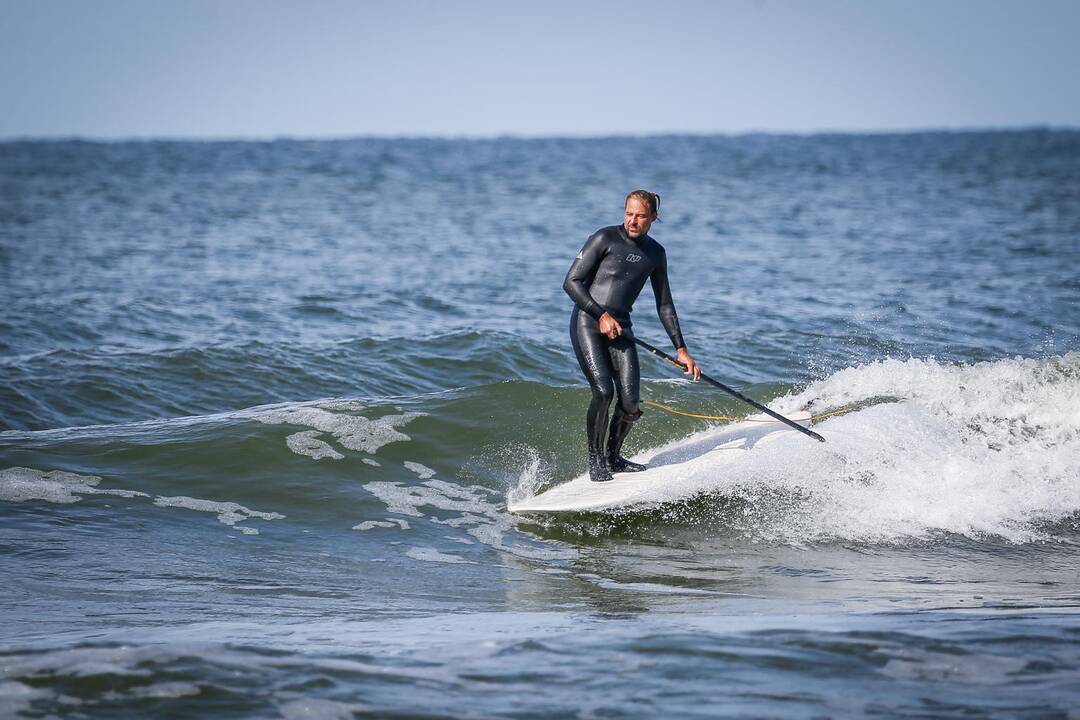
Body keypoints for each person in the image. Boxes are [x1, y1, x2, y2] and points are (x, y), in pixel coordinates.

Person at [563, 190, 700, 483]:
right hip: (588, 322)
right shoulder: (605, 238)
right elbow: (571, 282)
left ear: (653, 217)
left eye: (639, 215)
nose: (632, 221)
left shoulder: (655, 253)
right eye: (628, 213)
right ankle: (596, 460)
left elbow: (664, 304)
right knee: (603, 392)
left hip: (621, 328)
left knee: (630, 403)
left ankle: (613, 457)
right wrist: (600, 315)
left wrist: (681, 349)